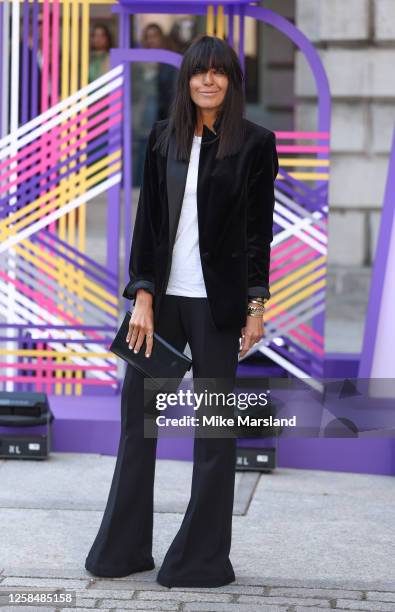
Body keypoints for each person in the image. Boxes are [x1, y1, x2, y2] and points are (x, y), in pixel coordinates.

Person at [85, 34, 278, 588]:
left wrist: (255, 307)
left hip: (217, 308)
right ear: (187, 80)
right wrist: (142, 295)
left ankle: (201, 559)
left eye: (219, 72)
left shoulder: (256, 144)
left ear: (232, 81)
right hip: (161, 305)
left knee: (214, 434)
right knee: (136, 427)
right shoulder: (162, 137)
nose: (208, 81)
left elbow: (256, 237)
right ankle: (123, 551)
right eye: (199, 72)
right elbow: (148, 225)